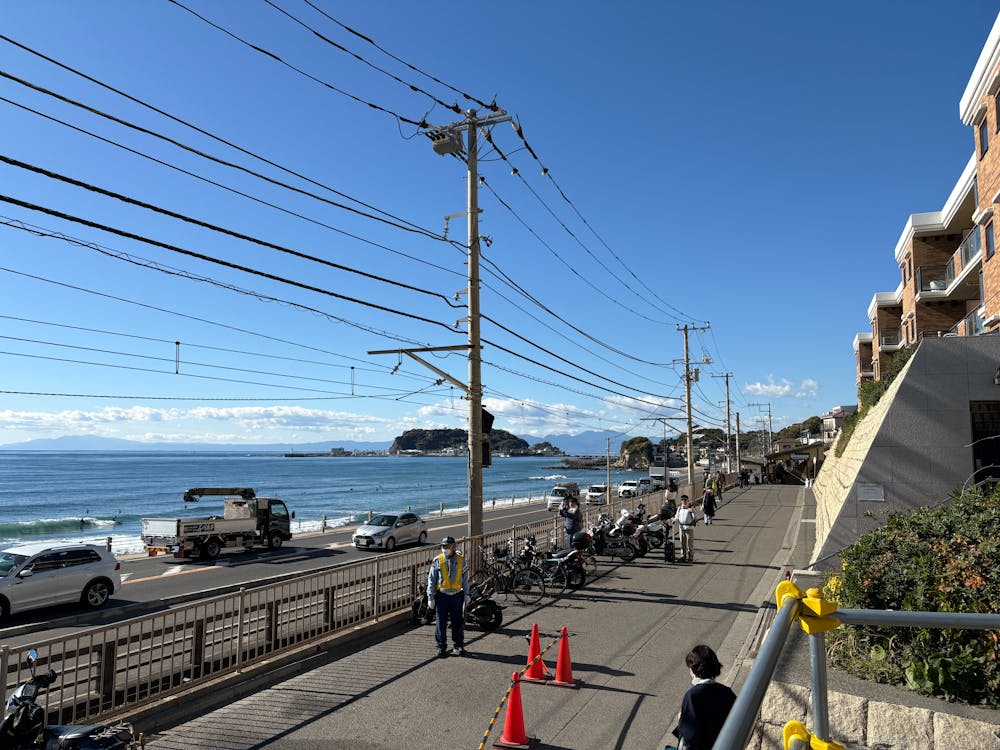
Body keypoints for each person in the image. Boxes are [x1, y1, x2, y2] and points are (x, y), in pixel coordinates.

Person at [667, 644, 737, 750]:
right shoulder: (727, 692)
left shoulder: (692, 696)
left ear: (694, 670)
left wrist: (682, 720)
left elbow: (689, 737)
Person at [426, 535, 470, 658]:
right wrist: (430, 597)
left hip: (457, 595)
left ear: (454, 547)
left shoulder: (461, 560)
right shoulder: (438, 560)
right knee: (441, 623)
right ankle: (441, 648)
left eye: (447, 546)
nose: (444, 548)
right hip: (442, 596)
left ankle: (458, 646)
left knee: (458, 622)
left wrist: (467, 594)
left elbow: (465, 579)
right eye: (443, 546)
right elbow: (431, 580)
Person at [674, 495, 696, 563]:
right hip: (681, 528)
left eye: (685, 499)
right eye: (682, 500)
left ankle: (690, 557)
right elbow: (677, 516)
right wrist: (673, 520)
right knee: (682, 543)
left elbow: (696, 517)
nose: (684, 501)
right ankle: (683, 556)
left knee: (690, 544)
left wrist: (693, 511)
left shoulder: (690, 508)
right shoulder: (679, 508)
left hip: (689, 528)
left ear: (687, 500)